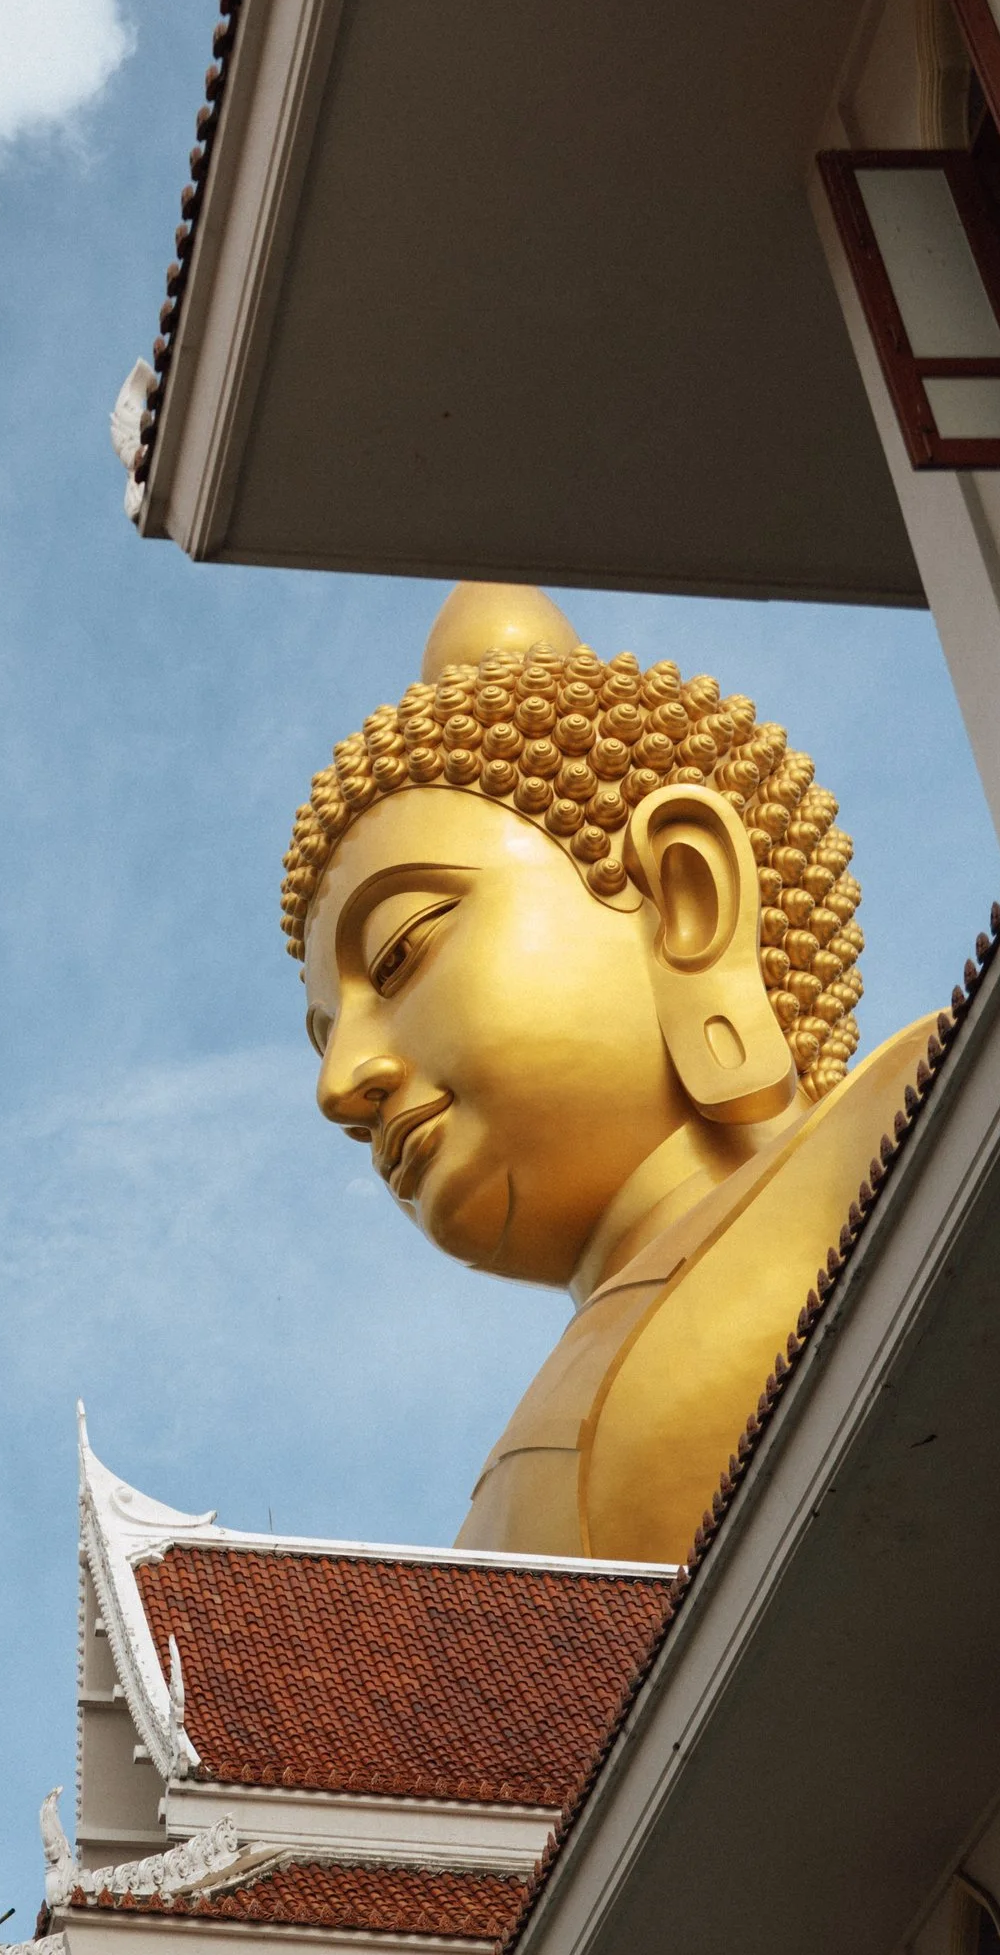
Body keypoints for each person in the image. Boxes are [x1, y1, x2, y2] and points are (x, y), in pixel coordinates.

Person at [289, 583, 929, 1560]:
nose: (341, 1083)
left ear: (685, 897)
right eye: (322, 1034)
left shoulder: (910, 1158)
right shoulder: (561, 1402)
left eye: (396, 954)